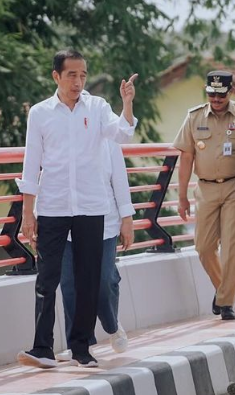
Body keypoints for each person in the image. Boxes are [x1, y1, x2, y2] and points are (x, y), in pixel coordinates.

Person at [16, 49, 138, 368]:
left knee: (87, 279)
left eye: (83, 74)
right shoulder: (40, 113)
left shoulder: (97, 107)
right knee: (47, 279)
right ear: (56, 76)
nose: (78, 81)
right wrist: (28, 214)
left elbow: (122, 133)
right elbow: (31, 166)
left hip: (90, 206)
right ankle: (42, 348)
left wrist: (127, 102)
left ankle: (81, 347)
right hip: (53, 206)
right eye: (72, 74)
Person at [174, 71, 235, 320]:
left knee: (231, 246)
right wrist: (182, 196)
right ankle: (223, 291)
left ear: (230, 92)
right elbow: (186, 157)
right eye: (211, 93)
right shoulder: (194, 116)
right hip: (205, 188)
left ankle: (226, 302)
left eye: (221, 94)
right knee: (204, 247)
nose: (216, 98)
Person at [56, 139, 134, 362]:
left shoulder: (108, 140)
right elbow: (48, 178)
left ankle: (112, 325)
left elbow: (119, 179)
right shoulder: (60, 136)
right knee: (70, 283)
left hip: (104, 222)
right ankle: (78, 343)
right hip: (66, 221)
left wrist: (126, 218)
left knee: (104, 280)